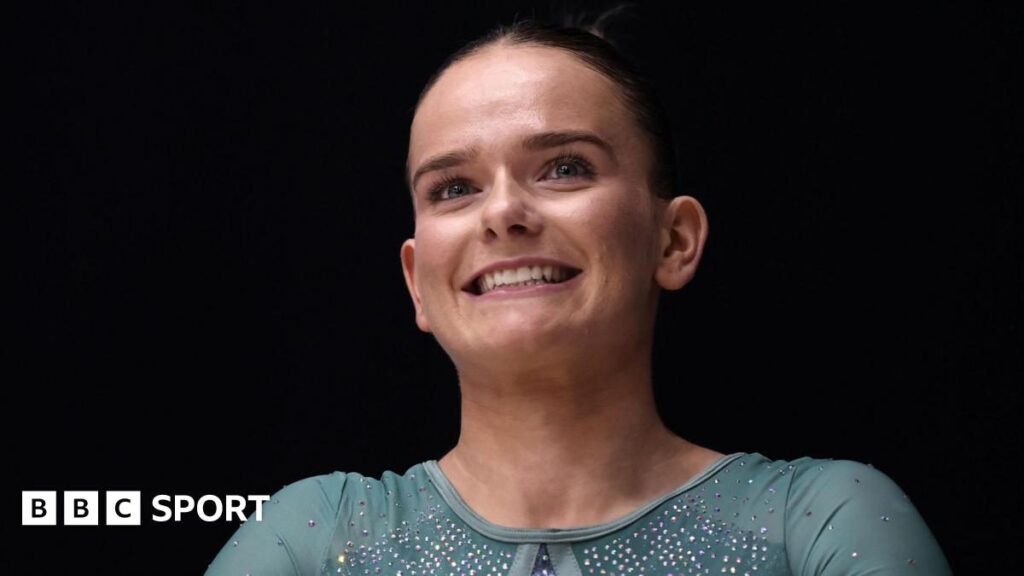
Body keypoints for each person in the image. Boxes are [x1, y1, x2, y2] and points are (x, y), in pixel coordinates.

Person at [205, 12, 952, 576]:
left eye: (564, 168)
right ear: (417, 283)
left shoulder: (817, 523)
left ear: (674, 240)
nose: (503, 213)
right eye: (455, 188)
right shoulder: (314, 536)